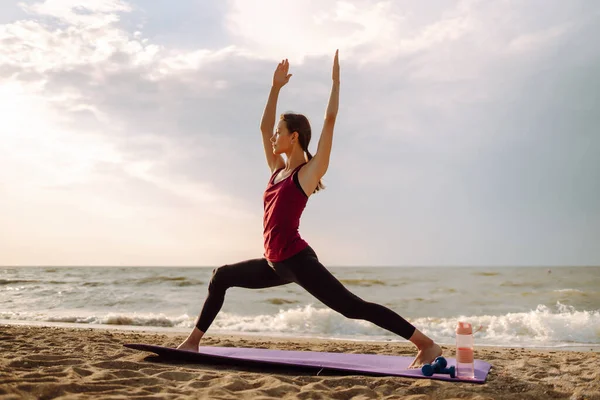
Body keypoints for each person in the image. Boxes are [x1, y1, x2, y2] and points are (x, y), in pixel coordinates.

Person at [176, 50, 442, 368]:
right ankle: (192, 342)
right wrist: (275, 88)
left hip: (298, 261)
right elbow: (262, 130)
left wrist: (336, 82)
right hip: (274, 263)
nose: (274, 137)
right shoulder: (277, 169)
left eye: (280, 131)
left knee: (353, 307)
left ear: (295, 137)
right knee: (222, 276)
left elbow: (329, 121)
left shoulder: (307, 174)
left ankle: (426, 344)